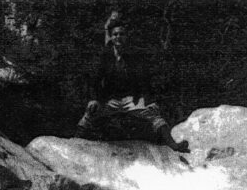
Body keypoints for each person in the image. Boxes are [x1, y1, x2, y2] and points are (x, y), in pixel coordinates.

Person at [76, 14, 189, 153]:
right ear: (111, 37)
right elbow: (95, 80)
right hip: (110, 100)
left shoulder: (135, 57)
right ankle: (75, 143)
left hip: (131, 100)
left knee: (153, 114)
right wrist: (94, 99)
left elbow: (144, 81)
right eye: (115, 34)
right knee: (91, 112)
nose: (118, 37)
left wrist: (149, 101)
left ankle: (174, 146)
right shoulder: (105, 57)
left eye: (121, 34)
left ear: (126, 36)